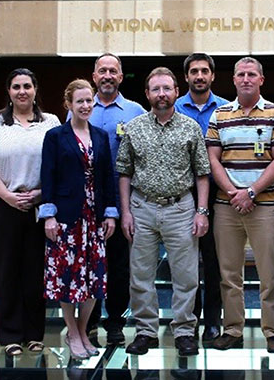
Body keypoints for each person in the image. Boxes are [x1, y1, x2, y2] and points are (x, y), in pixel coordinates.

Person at [117, 67, 211, 357]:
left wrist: (201, 211)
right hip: (141, 208)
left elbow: (202, 173)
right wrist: (126, 213)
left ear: (176, 92)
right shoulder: (134, 127)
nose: (162, 94)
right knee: (140, 275)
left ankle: (184, 330)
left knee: (185, 275)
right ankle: (146, 331)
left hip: (180, 208)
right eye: (156, 89)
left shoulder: (190, 128)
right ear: (147, 94)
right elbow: (123, 172)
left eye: (167, 89)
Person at [0, 68, 60, 357]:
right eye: (16, 87)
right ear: (9, 92)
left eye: (27, 86)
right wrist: (8, 196)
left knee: (36, 272)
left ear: (36, 89)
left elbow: (59, 164)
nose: (21, 91)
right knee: (6, 270)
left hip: (39, 204)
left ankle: (34, 333)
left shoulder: (51, 122)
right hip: (3, 204)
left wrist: (40, 194)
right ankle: (10, 335)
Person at [206, 57, 274, 354]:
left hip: (264, 206)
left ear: (261, 80)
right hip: (226, 206)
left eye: (251, 74)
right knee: (229, 274)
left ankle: (273, 331)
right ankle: (233, 330)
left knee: (270, 273)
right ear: (233, 80)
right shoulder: (220, 115)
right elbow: (212, 159)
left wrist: (251, 192)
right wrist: (233, 192)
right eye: (240, 74)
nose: (245, 79)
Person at [39, 79, 117, 360]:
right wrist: (49, 215)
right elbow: (47, 176)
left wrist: (110, 213)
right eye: (80, 101)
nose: (86, 106)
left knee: (94, 279)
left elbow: (108, 177)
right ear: (68, 105)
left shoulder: (100, 136)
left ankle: (83, 331)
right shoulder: (55, 136)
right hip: (66, 219)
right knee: (67, 277)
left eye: (89, 101)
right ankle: (71, 331)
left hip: (94, 219)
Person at [81, 53, 146, 347]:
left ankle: (116, 322)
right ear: (94, 76)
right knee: (89, 265)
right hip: (86, 205)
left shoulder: (135, 112)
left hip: (124, 205)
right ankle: (89, 322)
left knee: (120, 268)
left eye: (113, 71)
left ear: (121, 77)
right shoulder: (79, 110)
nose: (107, 75)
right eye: (102, 70)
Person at [174, 53, 229, 346]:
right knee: (185, 262)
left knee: (213, 261)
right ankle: (187, 322)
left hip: (217, 195)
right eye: (194, 71)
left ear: (212, 76)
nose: (199, 76)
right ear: (186, 77)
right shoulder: (173, 107)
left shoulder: (224, 109)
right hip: (182, 194)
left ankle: (212, 323)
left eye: (204, 71)